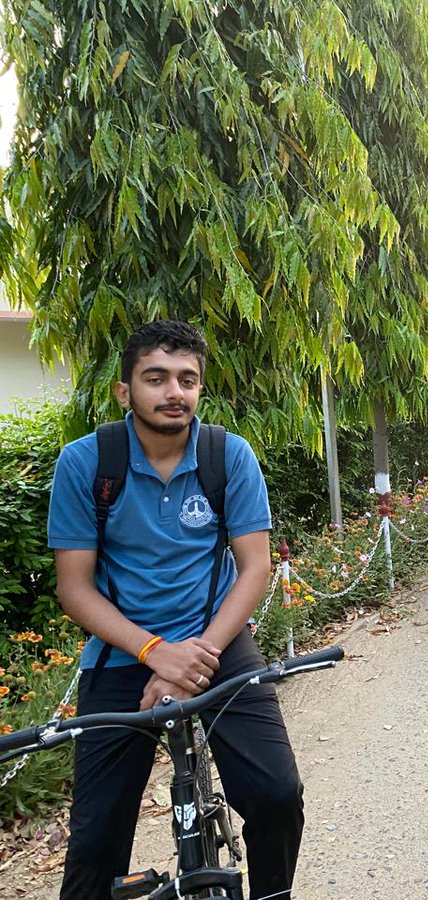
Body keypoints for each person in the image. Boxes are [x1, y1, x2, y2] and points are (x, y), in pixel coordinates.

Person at [48, 321, 303, 900]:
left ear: (200, 388)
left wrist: (195, 661)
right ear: (124, 390)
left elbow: (255, 568)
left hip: (218, 643)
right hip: (121, 652)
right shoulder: (86, 464)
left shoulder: (226, 456)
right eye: (156, 378)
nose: (173, 392)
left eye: (187, 379)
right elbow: (75, 588)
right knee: (94, 845)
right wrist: (158, 654)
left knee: (277, 795)